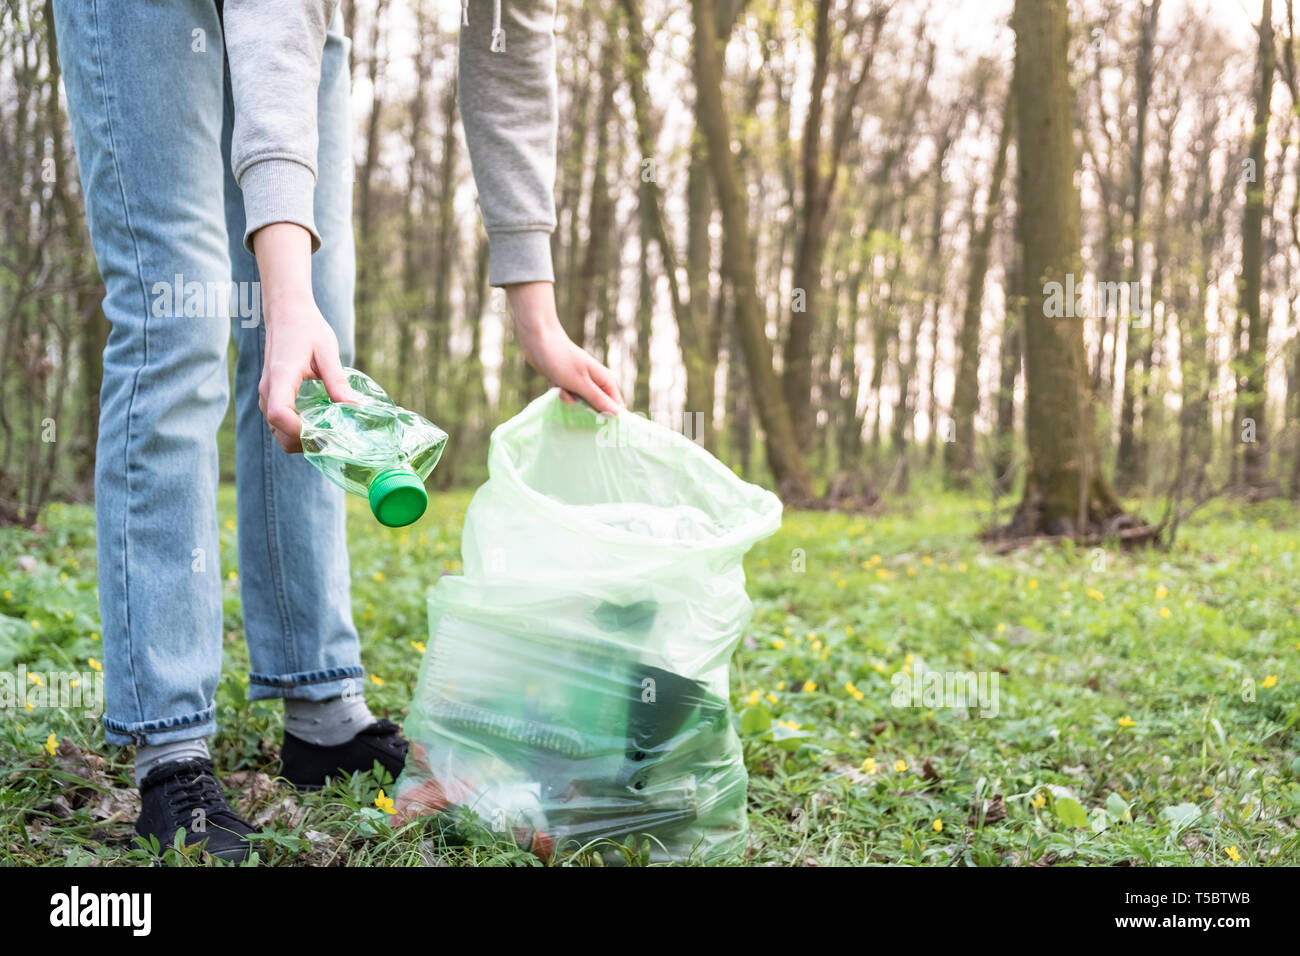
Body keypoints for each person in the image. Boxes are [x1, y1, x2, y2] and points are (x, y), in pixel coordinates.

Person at [53, 0, 622, 861]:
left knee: (323, 357)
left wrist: (536, 316)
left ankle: (320, 709)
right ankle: (170, 742)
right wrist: (281, 299)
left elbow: (509, 56)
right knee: (181, 318)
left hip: (294, 29)